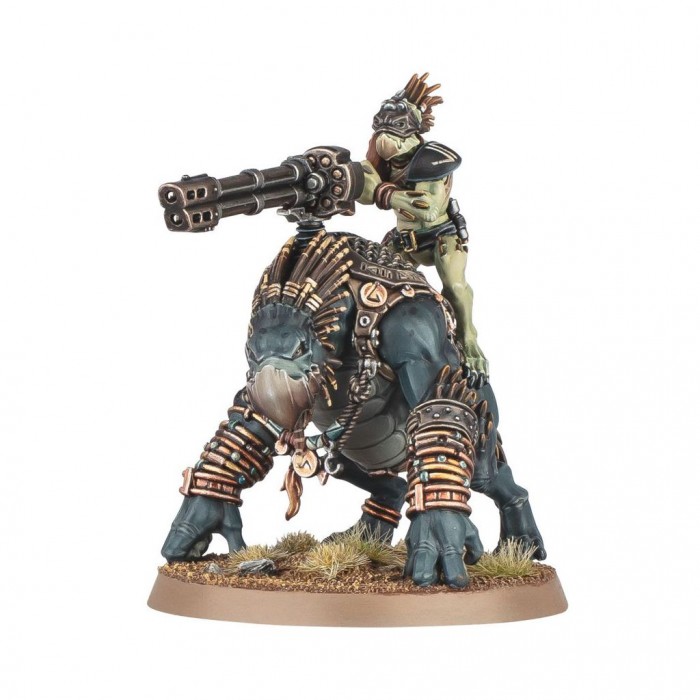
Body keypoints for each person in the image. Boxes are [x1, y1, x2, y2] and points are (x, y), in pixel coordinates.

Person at [358, 73, 489, 386]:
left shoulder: (433, 160)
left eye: (394, 128)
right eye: (382, 128)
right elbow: (361, 187)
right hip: (404, 242)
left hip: (441, 237)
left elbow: (427, 208)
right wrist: (376, 189)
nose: (385, 138)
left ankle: (469, 342)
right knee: (370, 280)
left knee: (454, 286)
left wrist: (384, 192)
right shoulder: (380, 159)